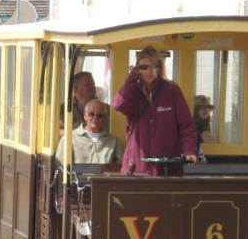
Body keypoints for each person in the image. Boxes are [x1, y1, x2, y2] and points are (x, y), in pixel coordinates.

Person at [112, 46, 198, 176]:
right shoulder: (132, 91)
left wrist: (189, 151)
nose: (149, 70)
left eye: (154, 65)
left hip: (167, 167)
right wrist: (131, 78)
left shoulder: (171, 90)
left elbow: (187, 125)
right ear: (137, 69)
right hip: (137, 166)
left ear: (159, 67)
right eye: (143, 67)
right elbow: (118, 104)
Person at [55, 99, 124, 165]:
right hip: (76, 177)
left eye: (100, 115)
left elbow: (120, 168)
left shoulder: (115, 141)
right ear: (84, 116)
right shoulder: (69, 138)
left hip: (104, 177)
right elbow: (60, 167)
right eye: (91, 114)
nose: (95, 118)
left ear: (105, 117)